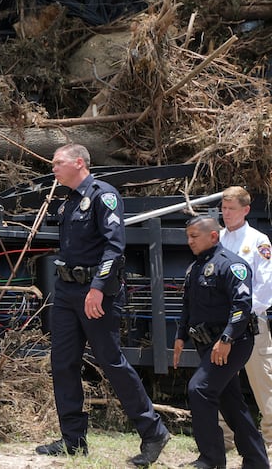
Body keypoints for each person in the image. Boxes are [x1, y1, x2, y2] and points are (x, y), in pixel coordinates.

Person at [36, 143, 170, 466]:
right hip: (67, 292)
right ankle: (73, 441)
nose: (52, 168)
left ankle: (153, 432)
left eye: (57, 163)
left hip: (96, 293)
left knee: (111, 361)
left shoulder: (102, 195)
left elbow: (114, 248)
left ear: (78, 162)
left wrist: (97, 288)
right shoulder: (67, 201)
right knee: (63, 363)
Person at [174, 216, 269, 469]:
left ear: (213, 236)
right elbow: (188, 305)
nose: (189, 241)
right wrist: (180, 336)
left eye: (194, 236)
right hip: (207, 343)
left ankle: (211, 459)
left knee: (200, 389)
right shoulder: (195, 268)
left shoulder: (232, 265)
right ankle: (257, 461)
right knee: (230, 401)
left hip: (234, 342)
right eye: (188, 236)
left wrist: (227, 337)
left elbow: (242, 307)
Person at [219, 186, 272, 443]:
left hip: (250, 323)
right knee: (220, 382)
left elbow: (265, 285)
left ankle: (271, 441)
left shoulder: (258, 241)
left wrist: (244, 316)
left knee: (263, 383)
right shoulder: (216, 238)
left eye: (231, 209)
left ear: (246, 210)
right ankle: (225, 439)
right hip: (221, 324)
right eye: (223, 208)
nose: (226, 213)